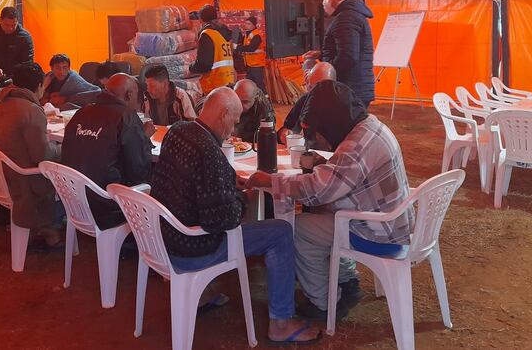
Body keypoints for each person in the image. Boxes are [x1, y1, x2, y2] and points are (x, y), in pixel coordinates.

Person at [151, 87, 321, 344]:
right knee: (280, 232)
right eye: (235, 118)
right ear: (223, 114)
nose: (237, 125)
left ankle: (205, 292)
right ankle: (281, 322)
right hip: (193, 247)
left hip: (162, 238)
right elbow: (222, 220)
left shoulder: (179, 131)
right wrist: (244, 200)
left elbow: (193, 182)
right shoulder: (208, 151)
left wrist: (229, 181)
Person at [246, 80, 413, 321]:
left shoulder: (356, 145)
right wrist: (324, 166)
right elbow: (340, 181)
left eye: (317, 130)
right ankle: (346, 281)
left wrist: (270, 181)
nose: (317, 139)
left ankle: (323, 303)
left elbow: (318, 190)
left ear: (331, 122)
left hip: (378, 232)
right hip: (390, 220)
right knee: (322, 217)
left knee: (298, 230)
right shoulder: (370, 127)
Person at [61, 73, 153, 230]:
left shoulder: (82, 113)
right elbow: (139, 168)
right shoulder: (125, 116)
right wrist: (143, 138)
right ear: (129, 94)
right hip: (107, 204)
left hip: (74, 199)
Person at [0, 62, 62, 247]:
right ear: (39, 86)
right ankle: (51, 228)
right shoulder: (31, 110)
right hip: (23, 180)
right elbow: (42, 155)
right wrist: (63, 149)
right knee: (69, 167)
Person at [304, 0, 375, 106]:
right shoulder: (352, 15)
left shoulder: (346, 18)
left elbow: (348, 57)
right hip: (355, 88)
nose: (324, 2)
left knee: (343, 125)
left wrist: (323, 73)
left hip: (349, 89)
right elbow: (348, 49)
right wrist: (321, 55)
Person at [277, 61, 336, 144]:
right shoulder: (305, 100)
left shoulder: (343, 107)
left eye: (320, 87)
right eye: (311, 87)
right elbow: (288, 127)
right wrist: (283, 134)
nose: (314, 92)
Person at [189, 5, 234, 94]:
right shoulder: (225, 34)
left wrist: (191, 67)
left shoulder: (207, 34)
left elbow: (204, 64)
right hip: (228, 80)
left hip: (214, 85)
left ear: (201, 19)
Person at [233, 78, 275, 143]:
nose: (240, 105)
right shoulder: (226, 95)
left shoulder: (264, 109)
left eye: (245, 102)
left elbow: (266, 137)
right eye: (237, 100)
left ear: (255, 98)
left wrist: (239, 137)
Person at [235, 16, 267, 93]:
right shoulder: (247, 35)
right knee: (250, 85)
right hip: (250, 65)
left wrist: (237, 47)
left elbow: (251, 48)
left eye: (249, 24)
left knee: (259, 85)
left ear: (254, 25)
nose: (246, 25)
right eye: (246, 23)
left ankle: (266, 102)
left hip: (257, 65)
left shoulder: (256, 35)